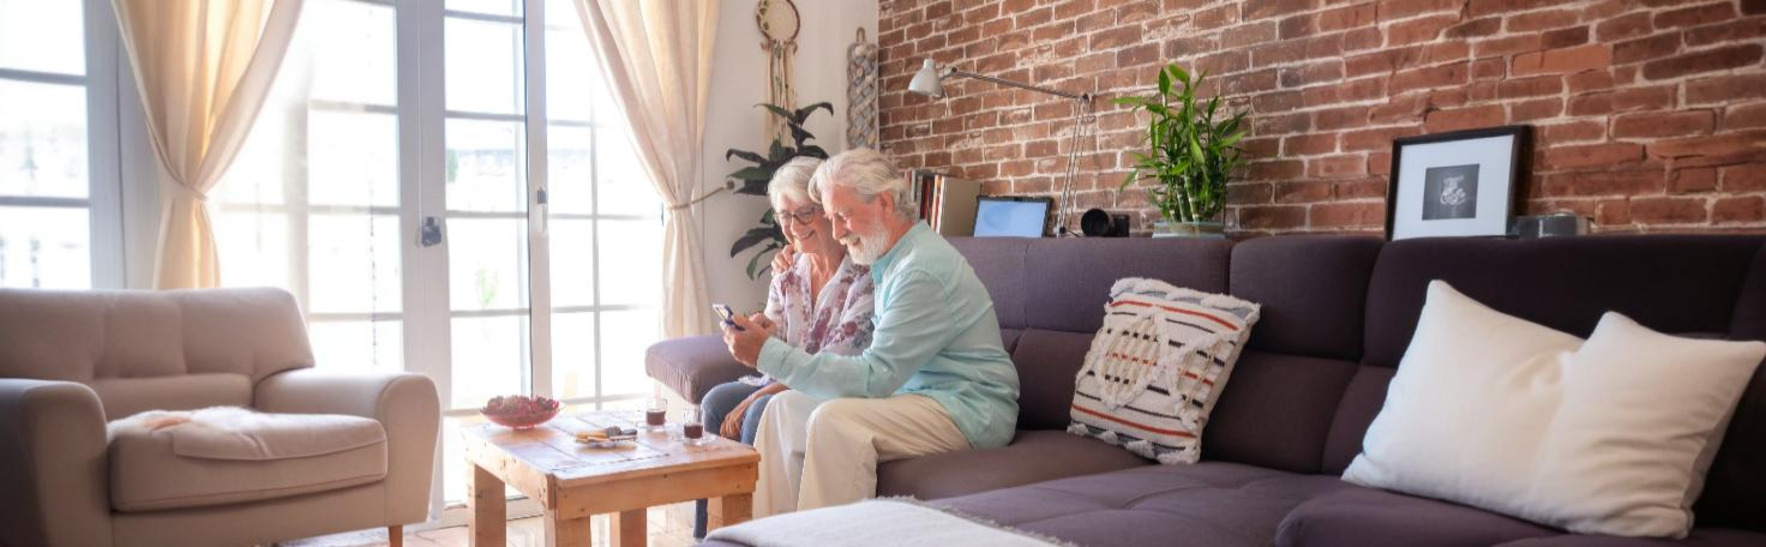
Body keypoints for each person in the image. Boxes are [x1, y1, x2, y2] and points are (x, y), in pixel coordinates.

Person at [721, 147, 1020, 518]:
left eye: (843, 216)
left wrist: (766, 353)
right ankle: (768, 539)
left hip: (967, 407)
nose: (836, 232)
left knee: (835, 422)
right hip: (917, 395)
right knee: (783, 409)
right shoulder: (890, 260)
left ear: (885, 203)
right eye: (831, 218)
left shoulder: (919, 270)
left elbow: (874, 377)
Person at [693, 156, 876, 538]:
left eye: (803, 214)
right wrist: (758, 332)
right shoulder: (787, 275)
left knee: (757, 408)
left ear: (827, 211)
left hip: (827, 388)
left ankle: (754, 533)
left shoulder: (862, 278)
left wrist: (751, 396)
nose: (793, 228)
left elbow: (833, 366)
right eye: (784, 216)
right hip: (780, 382)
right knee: (712, 404)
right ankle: (709, 536)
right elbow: (773, 347)